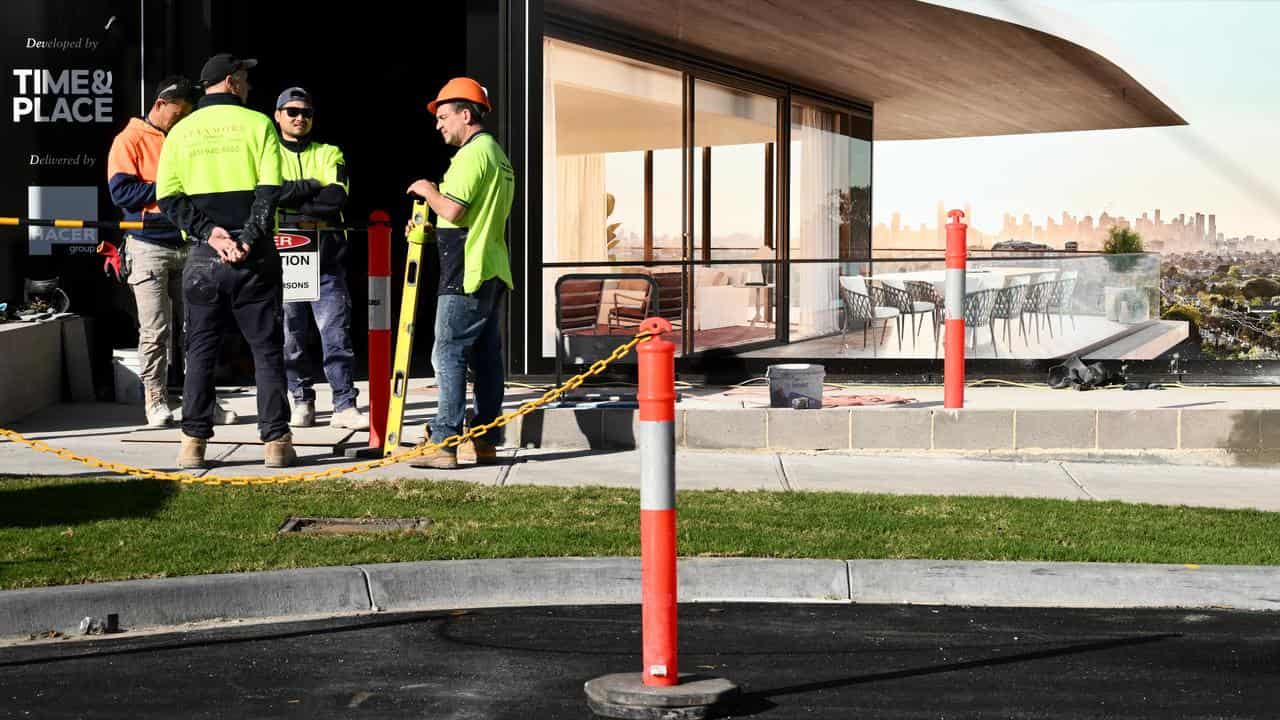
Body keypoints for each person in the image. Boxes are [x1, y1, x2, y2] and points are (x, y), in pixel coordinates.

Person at [155, 53, 295, 470]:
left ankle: (192, 444)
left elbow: (168, 198)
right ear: (232, 82)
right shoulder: (259, 124)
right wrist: (247, 239)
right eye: (245, 78)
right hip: (254, 259)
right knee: (267, 351)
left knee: (199, 351)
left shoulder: (180, 132)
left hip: (203, 258)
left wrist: (209, 235)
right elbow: (270, 191)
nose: (249, 85)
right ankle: (276, 444)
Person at [106, 76, 238, 428]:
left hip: (190, 242)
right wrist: (169, 190)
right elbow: (121, 194)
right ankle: (156, 400)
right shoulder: (129, 139)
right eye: (178, 113)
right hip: (148, 246)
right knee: (155, 329)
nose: (181, 120)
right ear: (160, 104)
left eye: (186, 114)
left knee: (198, 327)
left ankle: (202, 401)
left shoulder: (186, 136)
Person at [404, 77, 514, 470]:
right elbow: (473, 217)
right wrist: (434, 232)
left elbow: (454, 209)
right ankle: (485, 439)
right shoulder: (498, 155)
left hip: (466, 272)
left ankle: (444, 440)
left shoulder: (472, 155)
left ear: (466, 115)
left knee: (447, 353)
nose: (439, 124)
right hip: (491, 267)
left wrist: (427, 190)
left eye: (444, 116)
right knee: (485, 358)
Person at [272, 87, 369, 431]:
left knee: (335, 334)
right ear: (278, 115)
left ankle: (344, 403)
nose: (300, 118)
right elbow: (265, 195)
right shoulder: (267, 151)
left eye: (307, 113)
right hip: (284, 258)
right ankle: (301, 400)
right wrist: (310, 188)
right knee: (290, 337)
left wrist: (290, 200)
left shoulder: (329, 151)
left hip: (326, 258)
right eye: (293, 111)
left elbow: (336, 197)